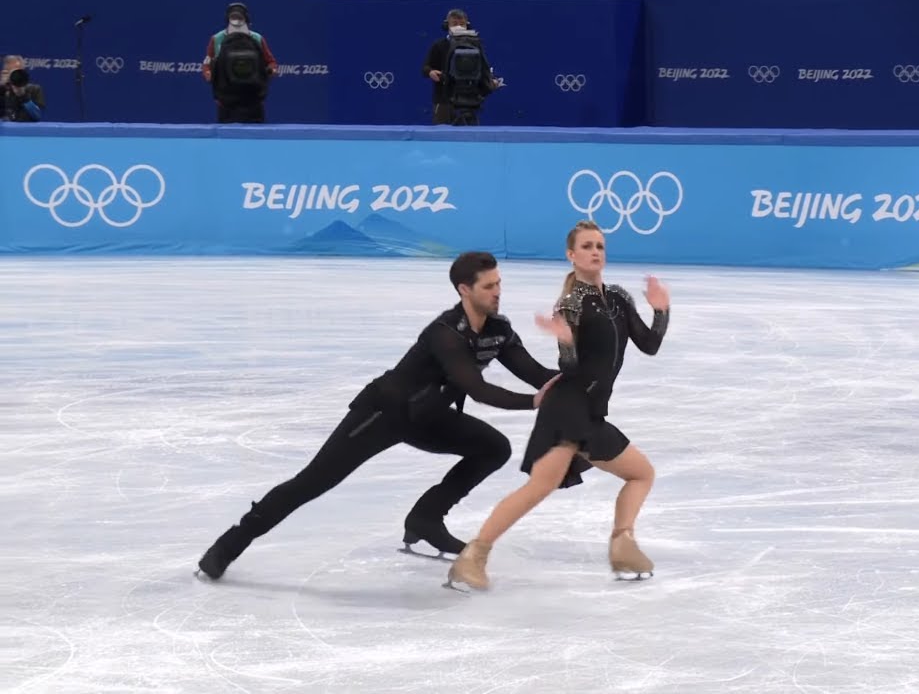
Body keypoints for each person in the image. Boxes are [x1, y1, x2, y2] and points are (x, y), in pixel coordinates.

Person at [196, 251, 561, 580]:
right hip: (383, 413)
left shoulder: (498, 330)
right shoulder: (445, 334)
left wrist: (579, 367)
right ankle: (226, 546)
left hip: (428, 416)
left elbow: (536, 373)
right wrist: (532, 402)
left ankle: (426, 518)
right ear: (465, 290)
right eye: (488, 286)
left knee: (493, 448)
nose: (498, 292)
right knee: (312, 482)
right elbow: (478, 389)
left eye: (499, 283)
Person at [444, 220, 671, 591]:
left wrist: (661, 311)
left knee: (640, 473)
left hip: (591, 412)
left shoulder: (619, 298)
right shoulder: (571, 303)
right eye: (586, 246)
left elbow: (649, 345)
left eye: (599, 245)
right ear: (571, 255)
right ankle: (472, 557)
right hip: (567, 409)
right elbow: (570, 368)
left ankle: (623, 546)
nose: (595, 251)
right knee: (539, 487)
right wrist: (565, 341)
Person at [201, 2, 278, 124]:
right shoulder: (216, 39)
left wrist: (272, 70)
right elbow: (207, 63)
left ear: (246, 19)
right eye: (233, 18)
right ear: (227, 19)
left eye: (240, 18)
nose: (236, 21)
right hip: (226, 98)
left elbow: (271, 62)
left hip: (253, 97)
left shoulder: (257, 38)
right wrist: (208, 73)